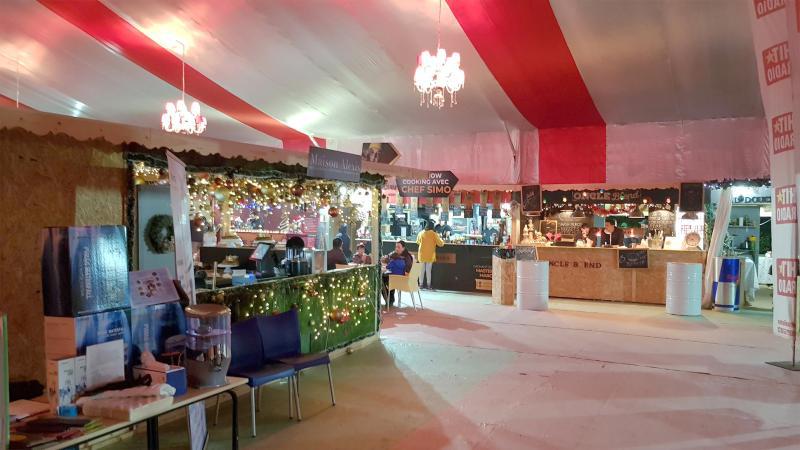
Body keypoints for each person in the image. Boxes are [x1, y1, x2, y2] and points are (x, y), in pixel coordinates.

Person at [382, 241, 414, 306]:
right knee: (384, 279)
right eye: (396, 247)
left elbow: (408, 268)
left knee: (383, 280)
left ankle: (389, 300)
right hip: (396, 277)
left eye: (398, 247)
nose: (396, 248)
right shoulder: (395, 254)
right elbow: (387, 258)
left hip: (402, 279)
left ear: (403, 248)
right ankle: (390, 299)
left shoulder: (407, 256)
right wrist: (385, 258)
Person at [416, 221, 445, 290]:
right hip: (430, 254)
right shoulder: (434, 234)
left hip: (421, 254)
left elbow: (417, 242)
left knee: (421, 270)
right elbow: (440, 244)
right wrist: (442, 240)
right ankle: (429, 285)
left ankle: (421, 285)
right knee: (428, 270)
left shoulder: (421, 233)